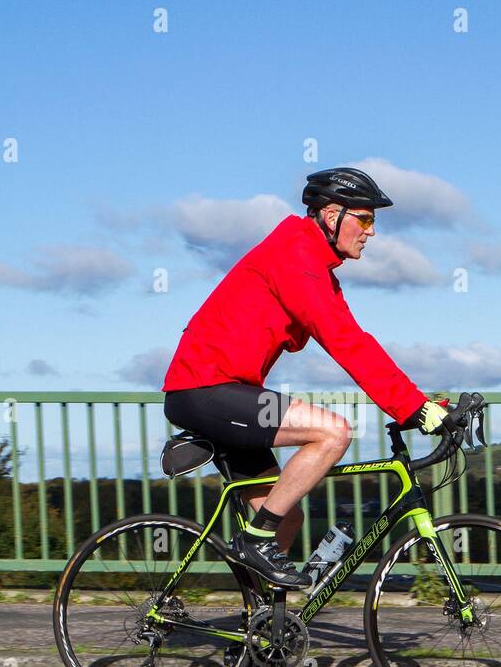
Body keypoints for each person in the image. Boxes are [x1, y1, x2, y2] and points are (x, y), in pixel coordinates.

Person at [161, 167, 449, 588]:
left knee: (286, 515)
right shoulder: (295, 255)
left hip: (230, 392)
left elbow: (358, 340)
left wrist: (421, 404)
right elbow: (345, 342)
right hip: (206, 390)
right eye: (365, 219)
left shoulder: (315, 268)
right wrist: (412, 407)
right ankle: (254, 541)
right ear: (332, 215)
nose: (372, 231)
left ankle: (262, 637)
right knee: (332, 432)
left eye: (374, 222)